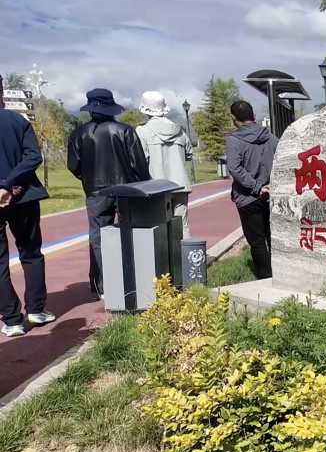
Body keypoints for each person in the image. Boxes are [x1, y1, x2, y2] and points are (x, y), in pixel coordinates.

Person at [67, 88, 150, 298]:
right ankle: (131, 279)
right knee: (130, 233)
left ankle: (101, 284)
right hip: (127, 190)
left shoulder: (79, 133)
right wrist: (143, 186)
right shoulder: (125, 131)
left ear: (90, 109)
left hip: (96, 191)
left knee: (98, 237)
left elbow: (73, 165)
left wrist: (87, 178)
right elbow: (139, 165)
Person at [0, 81, 56, 337]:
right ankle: (36, 309)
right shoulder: (17, 121)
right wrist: (8, 184)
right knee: (31, 252)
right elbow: (33, 157)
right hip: (24, 196)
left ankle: (12, 320)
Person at [226, 100, 277, 280]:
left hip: (247, 197)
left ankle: (265, 278)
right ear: (254, 116)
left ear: (233, 118)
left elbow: (235, 168)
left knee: (257, 242)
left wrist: (256, 187)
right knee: (273, 237)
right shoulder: (272, 138)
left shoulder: (233, 140)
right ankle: (281, 275)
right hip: (271, 195)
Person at [135, 91, 194, 238]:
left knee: (159, 228)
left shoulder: (142, 131)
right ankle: (184, 252)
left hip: (156, 187)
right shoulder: (179, 130)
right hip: (180, 185)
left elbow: (141, 159)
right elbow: (189, 154)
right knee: (182, 226)